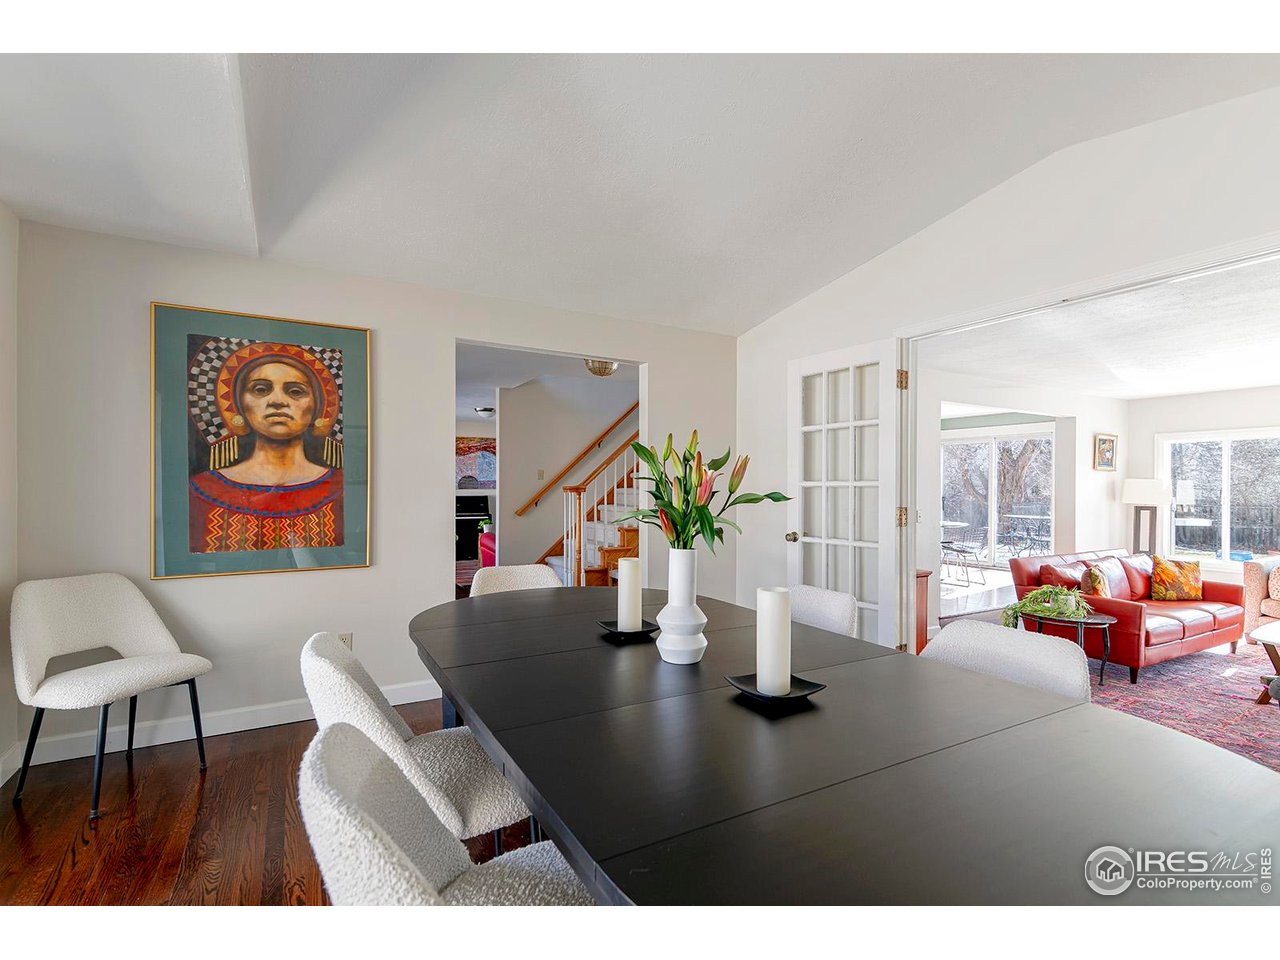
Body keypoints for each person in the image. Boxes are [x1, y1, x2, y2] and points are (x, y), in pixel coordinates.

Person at [188, 340, 345, 553]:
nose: (278, 401)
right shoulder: (200, 492)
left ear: (318, 407)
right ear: (238, 404)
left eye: (296, 391)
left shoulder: (341, 490)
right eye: (261, 389)